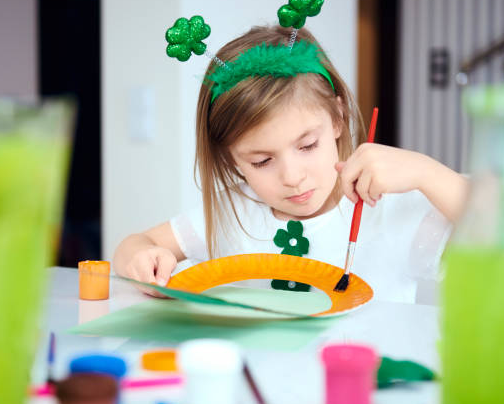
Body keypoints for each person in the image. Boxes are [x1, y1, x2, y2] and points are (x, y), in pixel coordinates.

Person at [113, 25, 469, 303]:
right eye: (262, 160)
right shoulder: (233, 210)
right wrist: (145, 259)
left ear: (338, 117)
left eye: (308, 145)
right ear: (232, 159)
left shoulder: (386, 212)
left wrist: (427, 172)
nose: (292, 177)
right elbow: (134, 243)